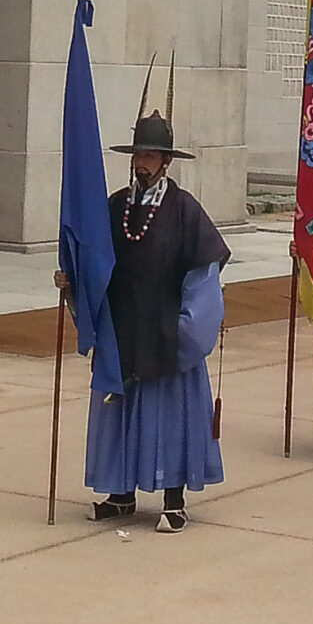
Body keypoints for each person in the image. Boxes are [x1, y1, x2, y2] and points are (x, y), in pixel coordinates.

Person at [75, 108, 228, 528]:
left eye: (151, 155)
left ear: (167, 161)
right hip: (121, 329)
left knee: (171, 416)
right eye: (138, 154)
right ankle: (121, 494)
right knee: (119, 413)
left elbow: (204, 275)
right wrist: (74, 283)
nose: (142, 163)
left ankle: (173, 500)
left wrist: (186, 332)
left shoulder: (184, 210)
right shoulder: (116, 207)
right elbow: (94, 262)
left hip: (167, 331)